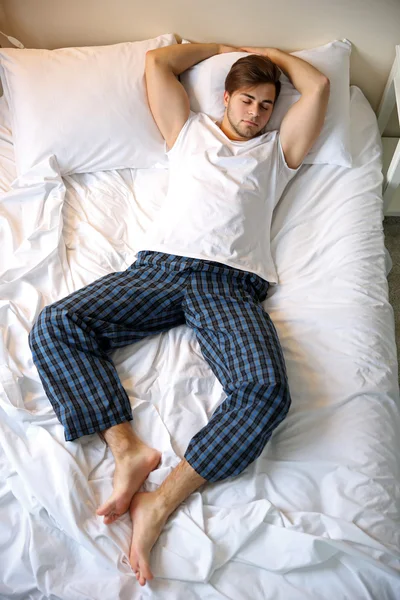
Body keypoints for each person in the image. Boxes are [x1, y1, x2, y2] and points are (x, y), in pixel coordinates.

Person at [28, 40, 330, 587]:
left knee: (265, 393)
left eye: (265, 105)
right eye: (246, 101)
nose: (255, 114)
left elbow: (320, 88)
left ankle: (160, 502)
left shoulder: (277, 153)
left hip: (230, 284)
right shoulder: (188, 131)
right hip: (159, 270)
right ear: (226, 97)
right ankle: (128, 450)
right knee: (56, 325)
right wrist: (228, 47)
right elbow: (157, 64)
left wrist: (274, 57)